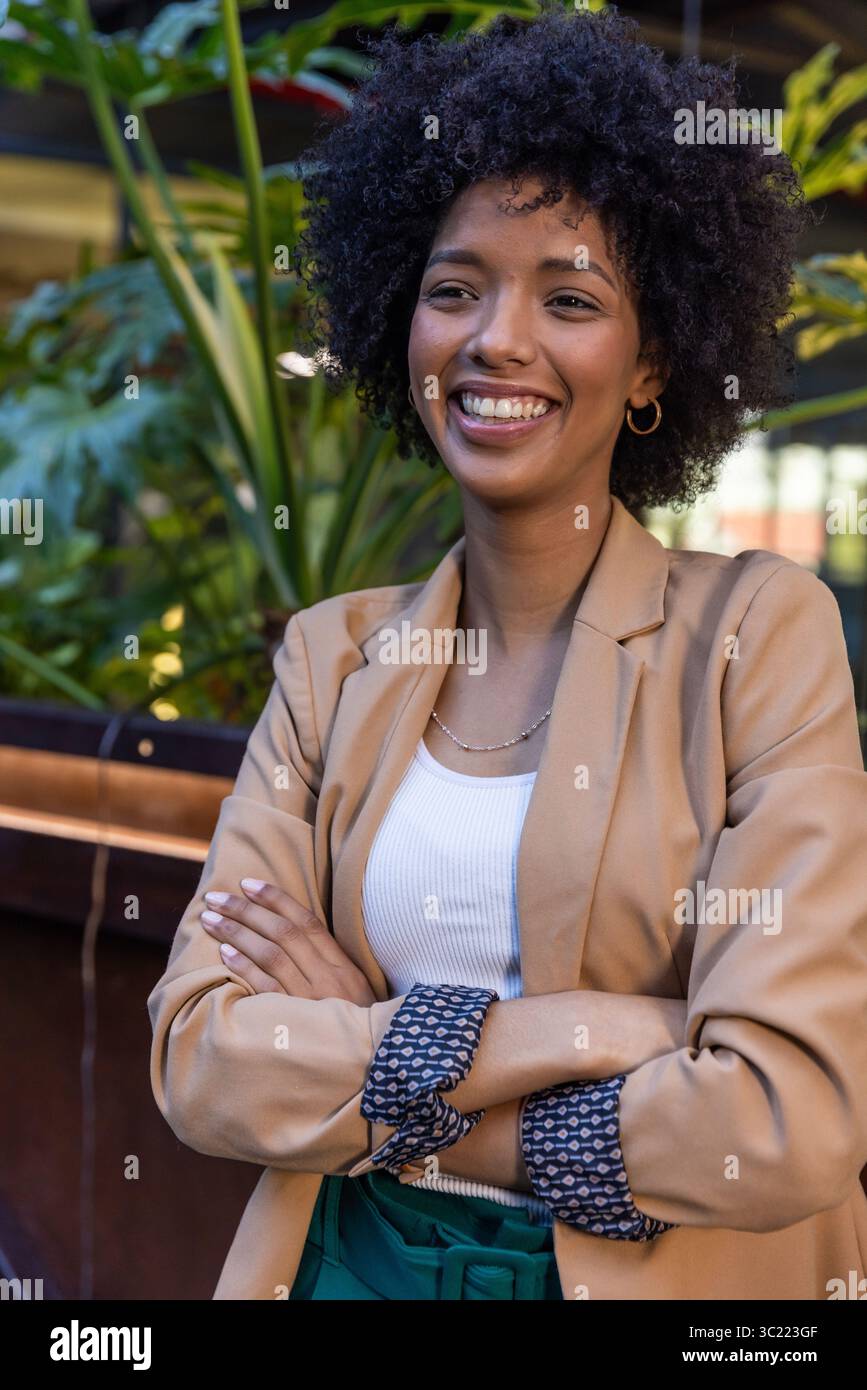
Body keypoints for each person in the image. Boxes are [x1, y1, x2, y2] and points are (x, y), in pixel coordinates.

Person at [147, 6, 867, 1301]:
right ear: (401, 328)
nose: (497, 340)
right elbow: (203, 1059)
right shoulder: (331, 659)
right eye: (454, 287)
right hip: (339, 1266)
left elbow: (786, 1115)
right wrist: (599, 1028)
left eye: (571, 297)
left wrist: (377, 1045)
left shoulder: (757, 636)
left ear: (653, 363)